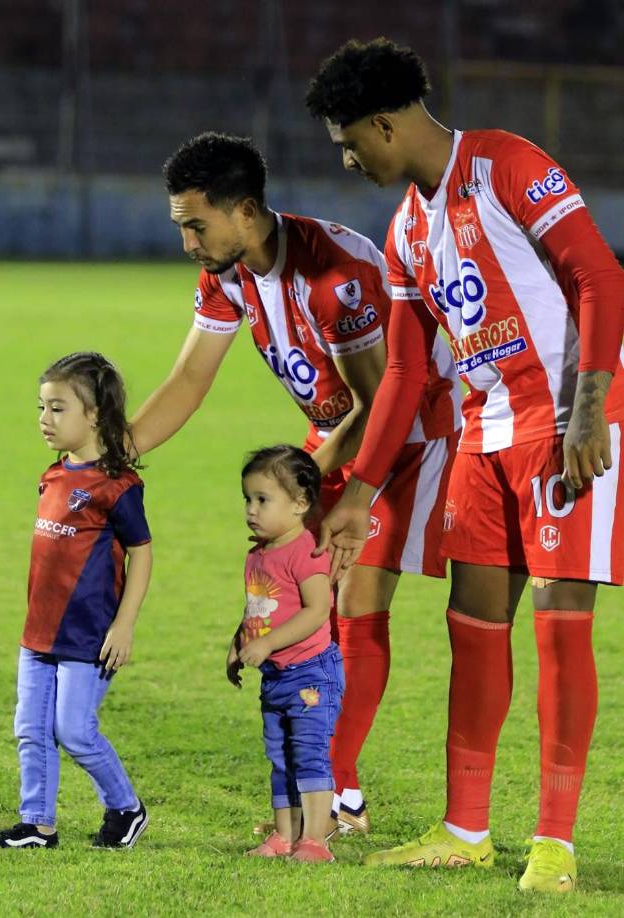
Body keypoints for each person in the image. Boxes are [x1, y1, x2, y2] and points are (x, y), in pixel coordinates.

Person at [306, 37, 624, 892]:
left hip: (561, 425)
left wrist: (589, 409)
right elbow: (407, 373)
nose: (347, 159)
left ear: (383, 123)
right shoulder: (408, 224)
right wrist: (358, 494)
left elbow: (598, 274)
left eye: (348, 142)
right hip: (482, 439)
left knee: (561, 625)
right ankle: (465, 828)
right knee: (471, 626)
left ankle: (553, 842)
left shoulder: (506, 165)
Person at [131, 131, 461, 835]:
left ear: (243, 211)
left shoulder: (332, 274)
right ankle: (325, 791)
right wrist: (116, 454)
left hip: (408, 433)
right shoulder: (227, 273)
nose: (187, 241)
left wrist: (312, 483)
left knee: (353, 601)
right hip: (334, 436)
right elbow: (189, 380)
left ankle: (338, 800)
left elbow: (379, 401)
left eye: (196, 224)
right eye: (181, 225)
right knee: (304, 608)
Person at [0, 352, 152, 851]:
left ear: (94, 414)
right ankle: (37, 825)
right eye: (41, 407)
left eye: (57, 408)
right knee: (31, 729)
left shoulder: (118, 486)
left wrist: (125, 625)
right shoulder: (52, 475)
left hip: (89, 636)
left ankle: (126, 807)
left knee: (74, 731)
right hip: (39, 631)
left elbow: (141, 552)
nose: (44, 420)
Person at [229, 445, 342, 862]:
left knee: (308, 751)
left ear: (300, 504)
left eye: (263, 500)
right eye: (248, 499)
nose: (251, 510)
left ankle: (314, 839)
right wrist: (238, 644)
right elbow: (257, 608)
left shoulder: (306, 552)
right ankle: (283, 835)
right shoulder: (258, 554)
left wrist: (267, 643)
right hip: (275, 678)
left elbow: (317, 612)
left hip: (311, 674)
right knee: (280, 757)